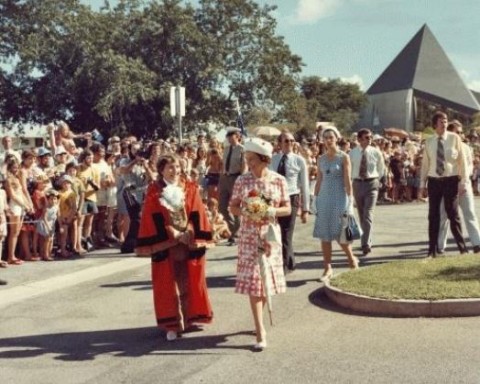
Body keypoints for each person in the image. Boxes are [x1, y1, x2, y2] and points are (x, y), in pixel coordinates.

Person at [135, 155, 214, 342]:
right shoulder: (154, 191)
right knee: (169, 284)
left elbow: (197, 212)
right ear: (161, 170)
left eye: (177, 167)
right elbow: (152, 217)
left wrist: (189, 231)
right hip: (167, 243)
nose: (175, 171)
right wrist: (173, 234)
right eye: (170, 167)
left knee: (189, 280)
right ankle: (172, 324)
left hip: (188, 240)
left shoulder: (190, 187)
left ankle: (190, 318)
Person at [229, 137, 290, 351]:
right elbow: (233, 208)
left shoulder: (278, 180)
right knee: (255, 282)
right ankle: (259, 329)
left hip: (270, 236)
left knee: (264, 283)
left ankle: (259, 321)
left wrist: (271, 210)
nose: (249, 163)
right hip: (248, 236)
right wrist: (249, 210)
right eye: (246, 159)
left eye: (252, 159)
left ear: (265, 159)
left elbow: (287, 208)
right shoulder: (242, 181)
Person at [419, 111, 468, 257]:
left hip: (451, 180)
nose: (444, 123)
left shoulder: (454, 138)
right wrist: (422, 184)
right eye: (441, 121)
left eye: (446, 120)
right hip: (434, 181)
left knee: (453, 214)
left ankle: (463, 249)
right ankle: (431, 251)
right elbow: (425, 165)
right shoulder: (429, 142)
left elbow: (462, 162)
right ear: (435, 125)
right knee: (433, 216)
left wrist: (463, 182)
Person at [313, 127, 359, 281]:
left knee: (341, 233)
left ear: (336, 138)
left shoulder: (344, 157)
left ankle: (351, 258)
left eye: (331, 137)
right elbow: (319, 180)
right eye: (325, 137)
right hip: (324, 199)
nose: (328, 140)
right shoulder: (321, 159)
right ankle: (327, 268)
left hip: (340, 198)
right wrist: (315, 199)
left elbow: (347, 180)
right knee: (325, 235)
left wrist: (350, 200)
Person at [437, 120, 480, 253]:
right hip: (447, 185)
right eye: (458, 132)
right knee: (444, 216)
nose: (461, 135)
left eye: (462, 132)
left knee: (470, 214)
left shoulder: (466, 148)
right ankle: (439, 246)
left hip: (464, 185)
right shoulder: (442, 145)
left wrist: (464, 182)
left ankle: (477, 243)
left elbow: (469, 166)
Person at [270, 130, 310, 273]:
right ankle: (290, 261)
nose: (290, 143)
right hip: (275, 199)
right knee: (276, 232)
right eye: (286, 141)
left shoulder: (299, 160)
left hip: (292, 198)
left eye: (292, 141)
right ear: (280, 143)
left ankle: (284, 266)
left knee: (286, 233)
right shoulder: (273, 159)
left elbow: (305, 185)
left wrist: (305, 209)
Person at [349, 128, 385, 256]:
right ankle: (365, 239)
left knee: (368, 214)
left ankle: (366, 244)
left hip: (371, 183)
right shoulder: (352, 153)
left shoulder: (376, 152)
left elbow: (381, 168)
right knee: (361, 214)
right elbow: (349, 170)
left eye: (370, 137)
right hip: (358, 184)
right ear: (359, 139)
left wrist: (377, 180)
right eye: (366, 137)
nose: (369, 140)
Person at [218, 127, 246, 245]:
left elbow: (244, 166)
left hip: (236, 178)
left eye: (231, 135)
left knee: (235, 207)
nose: (229, 138)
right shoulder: (226, 149)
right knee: (222, 207)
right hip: (225, 178)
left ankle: (234, 235)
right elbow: (224, 164)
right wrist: (222, 177)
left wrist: (242, 180)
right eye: (228, 136)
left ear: (237, 136)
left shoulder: (242, 149)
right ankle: (234, 229)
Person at [36, 189, 59, 261]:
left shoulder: (56, 207)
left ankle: (48, 252)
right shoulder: (46, 208)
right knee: (47, 239)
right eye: (51, 199)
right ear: (48, 200)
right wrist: (48, 226)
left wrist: (61, 225)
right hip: (45, 223)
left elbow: (59, 216)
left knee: (51, 239)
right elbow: (44, 218)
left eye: (55, 199)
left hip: (52, 223)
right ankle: (45, 255)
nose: (53, 201)